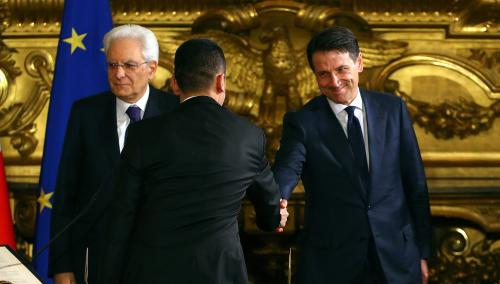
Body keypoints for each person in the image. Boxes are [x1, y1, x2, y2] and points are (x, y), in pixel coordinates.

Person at [98, 38, 287, 284]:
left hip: (152, 274)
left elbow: (122, 215)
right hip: (220, 274)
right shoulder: (250, 136)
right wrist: (276, 217)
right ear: (220, 81)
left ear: (175, 84)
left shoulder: (143, 134)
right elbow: (269, 215)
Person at [273, 26, 432, 284]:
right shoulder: (302, 122)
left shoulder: (393, 109)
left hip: (398, 257)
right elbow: (288, 167)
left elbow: (415, 184)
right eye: (323, 74)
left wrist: (423, 251)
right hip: (333, 262)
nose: (334, 82)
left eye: (341, 69)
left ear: (359, 63)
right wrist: (278, 197)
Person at [49, 24, 179, 284]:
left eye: (129, 65)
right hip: (96, 259)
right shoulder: (85, 113)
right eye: (112, 65)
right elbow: (66, 193)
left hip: (159, 261)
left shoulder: (175, 112)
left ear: (151, 68)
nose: (118, 74)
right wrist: (62, 267)